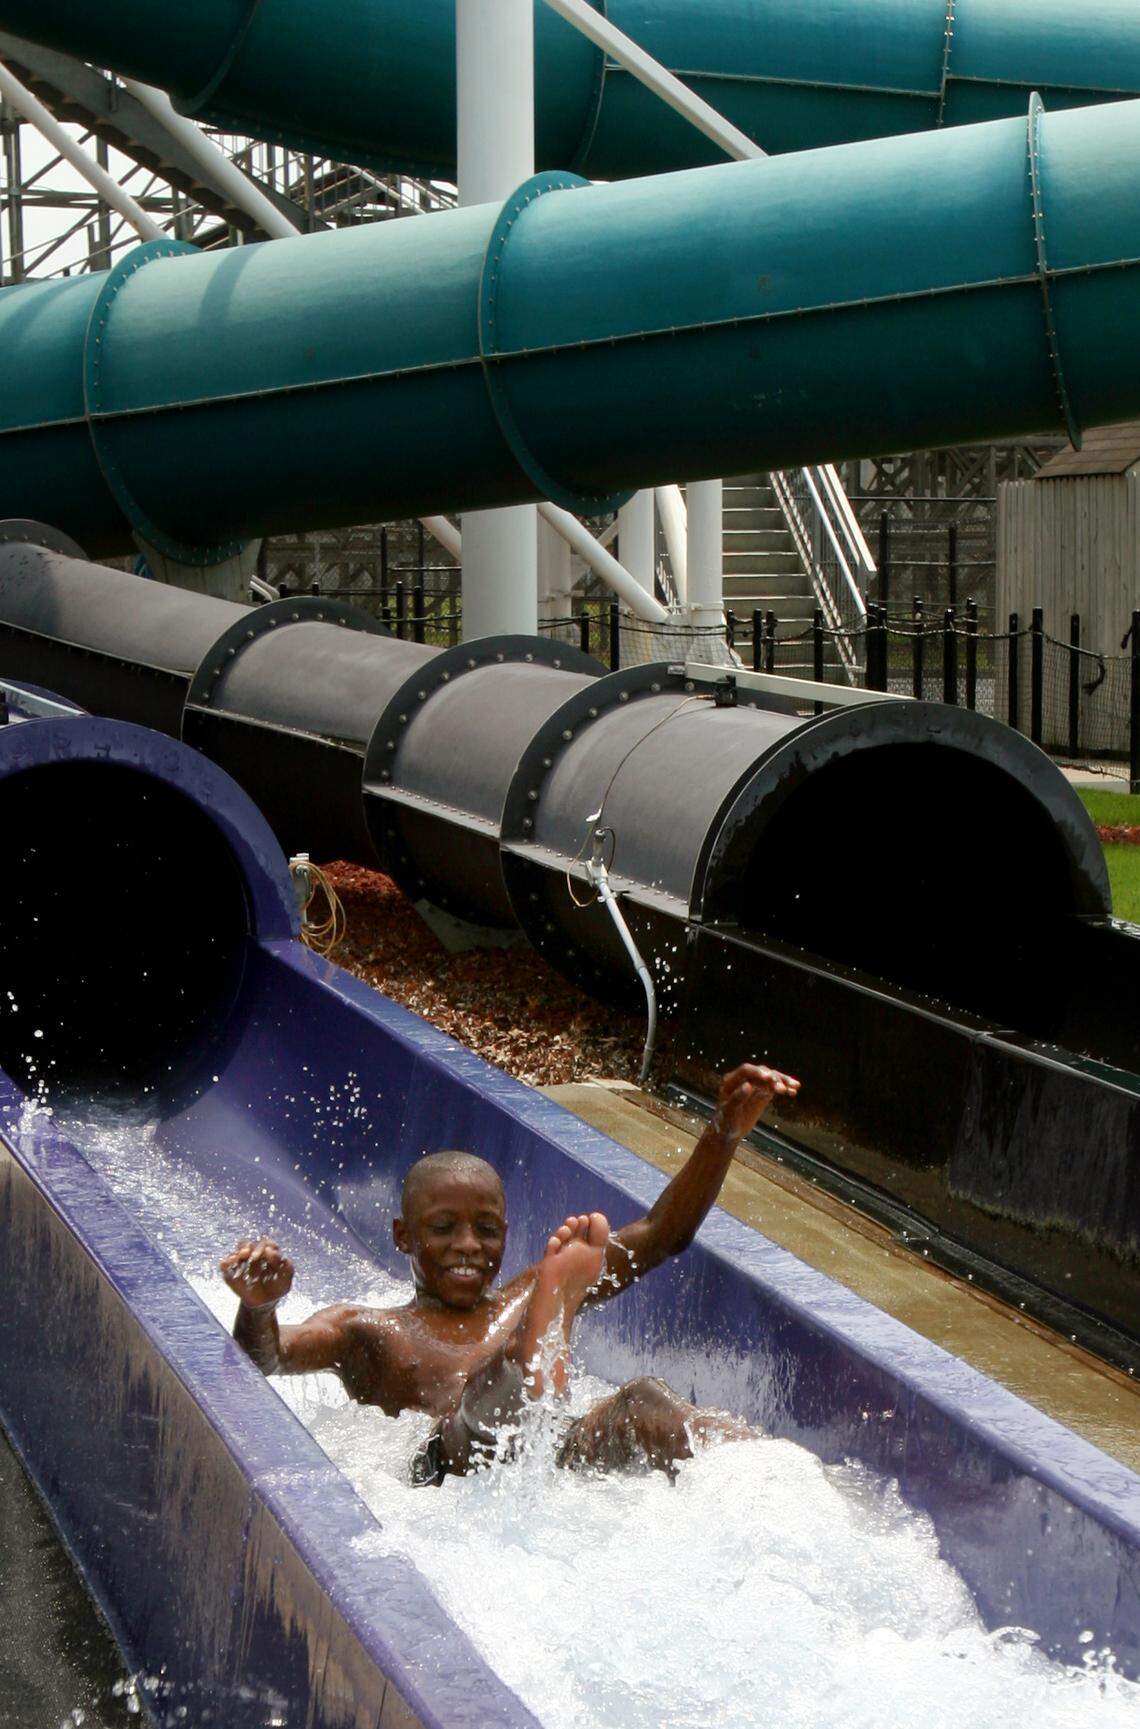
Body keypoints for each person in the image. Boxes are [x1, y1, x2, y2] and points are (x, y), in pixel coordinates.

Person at [221, 1062, 800, 1484]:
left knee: (643, 1402)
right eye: (443, 1227)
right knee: (484, 1401)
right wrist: (260, 1306)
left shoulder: (518, 1293)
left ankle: (766, 1478)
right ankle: (531, 1355)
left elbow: (664, 1236)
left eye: (487, 1229)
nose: (467, 1245)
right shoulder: (364, 1329)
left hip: (543, 1462)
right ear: (403, 1236)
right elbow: (268, 1358)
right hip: (444, 1470)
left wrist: (722, 1133)